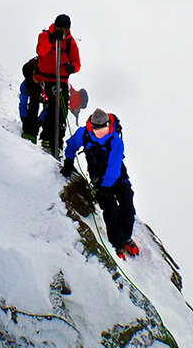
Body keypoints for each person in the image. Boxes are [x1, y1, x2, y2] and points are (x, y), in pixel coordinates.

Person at [60, 107, 139, 260]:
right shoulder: (83, 134)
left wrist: (105, 187)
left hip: (117, 177)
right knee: (110, 211)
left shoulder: (115, 140)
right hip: (98, 179)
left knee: (127, 205)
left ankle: (127, 237)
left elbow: (114, 167)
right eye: (99, 131)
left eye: (105, 129)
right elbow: (71, 144)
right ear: (92, 127)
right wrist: (68, 161)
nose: (103, 133)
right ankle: (117, 244)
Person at [34, 14, 81, 153]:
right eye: (60, 28)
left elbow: (77, 63)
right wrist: (51, 39)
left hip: (62, 80)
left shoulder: (70, 42)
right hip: (46, 79)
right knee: (50, 109)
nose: (62, 31)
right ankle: (47, 140)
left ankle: (58, 144)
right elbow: (40, 51)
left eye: (65, 29)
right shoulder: (45, 36)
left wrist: (72, 68)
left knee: (61, 112)